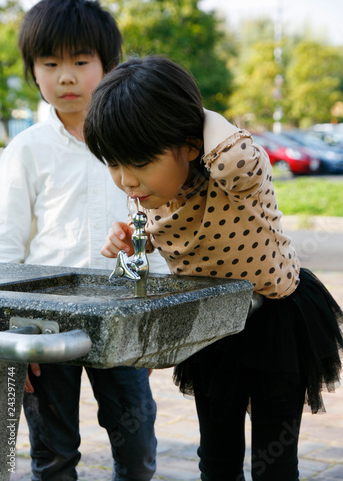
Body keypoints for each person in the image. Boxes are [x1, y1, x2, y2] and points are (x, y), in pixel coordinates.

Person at [84, 55, 343, 481]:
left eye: (140, 162)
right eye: (114, 163)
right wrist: (131, 241)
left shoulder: (233, 173)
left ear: (189, 143)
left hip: (274, 322)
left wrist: (190, 113)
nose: (127, 180)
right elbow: (151, 247)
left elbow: (236, 151)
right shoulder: (152, 196)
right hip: (212, 329)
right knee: (217, 458)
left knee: (273, 463)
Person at [0, 0, 168, 481]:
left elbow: (153, 226)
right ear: (33, 70)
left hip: (122, 311)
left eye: (80, 61)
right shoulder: (25, 150)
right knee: (52, 453)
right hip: (46, 319)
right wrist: (11, 330)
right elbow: (8, 245)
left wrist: (152, 325)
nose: (66, 77)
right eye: (50, 63)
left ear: (108, 65)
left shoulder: (135, 138)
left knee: (136, 447)